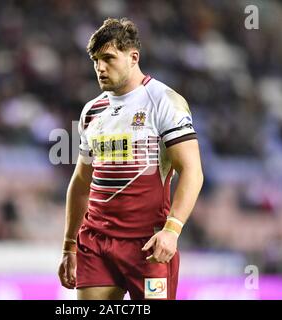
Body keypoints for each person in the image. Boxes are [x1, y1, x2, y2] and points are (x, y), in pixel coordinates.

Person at [57, 17, 204, 300]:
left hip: (147, 245)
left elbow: (192, 171)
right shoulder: (92, 111)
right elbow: (81, 181)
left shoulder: (164, 101)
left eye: (108, 58)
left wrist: (172, 230)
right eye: (96, 60)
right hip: (95, 243)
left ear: (133, 57)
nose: (100, 68)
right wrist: (69, 246)